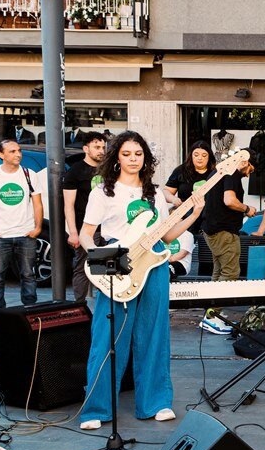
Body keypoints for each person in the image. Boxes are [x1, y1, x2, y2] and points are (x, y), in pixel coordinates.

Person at [78, 131, 204, 430]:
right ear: (116, 157)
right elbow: (86, 233)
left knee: (154, 334)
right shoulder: (103, 193)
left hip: (155, 263)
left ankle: (156, 403)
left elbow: (167, 235)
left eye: (138, 154)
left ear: (145, 157)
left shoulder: (155, 194)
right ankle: (96, 408)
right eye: (127, 154)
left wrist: (194, 212)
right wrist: (102, 260)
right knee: (107, 337)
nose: (133, 159)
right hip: (118, 263)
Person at [0, 139, 44, 316]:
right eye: (13, 151)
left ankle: (30, 312)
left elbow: (37, 204)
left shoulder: (29, 174)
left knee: (28, 275)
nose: (18, 154)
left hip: (26, 233)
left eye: (19, 150)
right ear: (1, 155)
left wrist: (37, 228)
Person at [201, 154, 254, 334]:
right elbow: (229, 200)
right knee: (231, 273)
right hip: (224, 232)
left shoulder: (220, 171)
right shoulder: (232, 174)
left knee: (219, 272)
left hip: (213, 230)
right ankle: (211, 317)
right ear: (245, 161)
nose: (249, 174)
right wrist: (247, 209)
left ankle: (211, 315)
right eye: (250, 169)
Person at [62, 131, 106, 302]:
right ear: (86, 148)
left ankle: (106, 305)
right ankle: (79, 307)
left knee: (108, 269)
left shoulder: (110, 169)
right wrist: (73, 232)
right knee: (82, 268)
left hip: (109, 228)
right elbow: (68, 205)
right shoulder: (76, 171)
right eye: (97, 147)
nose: (101, 151)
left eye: (103, 147)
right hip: (87, 229)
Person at [161, 140, 214, 276]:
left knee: (207, 257)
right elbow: (166, 192)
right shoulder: (181, 170)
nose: (200, 158)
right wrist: (173, 199)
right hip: (185, 219)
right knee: (185, 249)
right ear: (191, 155)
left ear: (209, 157)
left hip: (208, 219)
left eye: (204, 155)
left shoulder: (215, 172)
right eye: (196, 154)